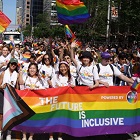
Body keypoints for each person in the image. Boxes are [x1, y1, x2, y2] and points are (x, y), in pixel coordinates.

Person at [18, 63, 48, 140]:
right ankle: (24, 135)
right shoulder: (25, 77)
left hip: (36, 102)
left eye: (34, 68)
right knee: (25, 118)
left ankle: (31, 136)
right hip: (26, 101)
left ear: (37, 70)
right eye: (31, 68)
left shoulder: (40, 79)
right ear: (28, 69)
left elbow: (44, 89)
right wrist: (21, 73)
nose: (32, 70)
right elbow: (21, 84)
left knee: (33, 119)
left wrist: (43, 78)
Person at [49, 61, 75, 140]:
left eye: (64, 67)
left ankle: (60, 135)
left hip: (65, 102)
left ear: (67, 67)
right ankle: (51, 135)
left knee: (62, 118)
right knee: (53, 117)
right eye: (61, 67)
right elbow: (52, 87)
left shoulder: (71, 78)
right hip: (56, 100)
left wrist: (73, 87)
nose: (63, 68)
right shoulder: (55, 76)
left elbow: (74, 89)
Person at [0, 58, 19, 140]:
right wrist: (2, 86)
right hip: (2, 94)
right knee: (1, 115)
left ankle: (9, 133)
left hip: (11, 96)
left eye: (15, 64)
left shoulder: (17, 74)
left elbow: (18, 86)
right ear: (9, 64)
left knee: (11, 115)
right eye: (12, 63)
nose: (13, 65)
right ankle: (1, 132)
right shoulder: (3, 73)